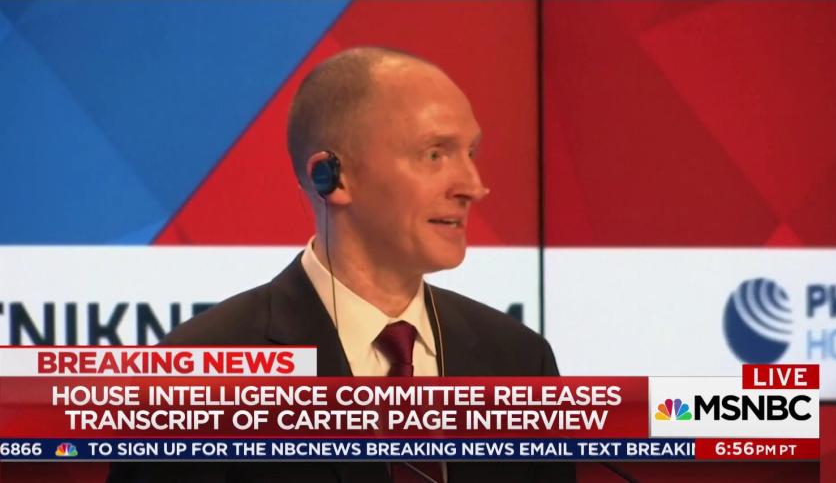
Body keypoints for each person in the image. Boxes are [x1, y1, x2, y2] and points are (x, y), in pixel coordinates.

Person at [108, 46, 574, 483]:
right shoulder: (200, 377)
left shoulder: (520, 361)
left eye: (470, 153)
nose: (473, 186)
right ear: (332, 177)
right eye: (434, 154)